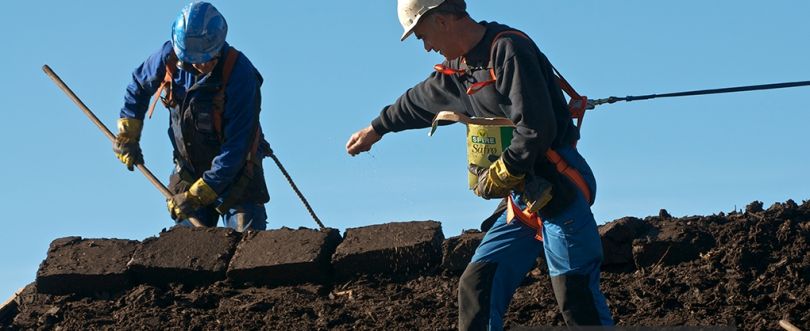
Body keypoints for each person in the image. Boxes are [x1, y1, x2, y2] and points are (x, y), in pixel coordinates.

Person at [345, 0, 614, 329]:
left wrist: (503, 171)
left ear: (443, 21)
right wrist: (376, 129)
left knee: (576, 298)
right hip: (523, 200)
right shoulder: (458, 70)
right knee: (477, 286)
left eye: (423, 36)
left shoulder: (508, 51)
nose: (426, 47)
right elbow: (417, 102)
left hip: (558, 189)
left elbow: (535, 129)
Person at [114, 1, 270, 232]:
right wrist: (128, 135)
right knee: (188, 254)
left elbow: (236, 146)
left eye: (207, 58)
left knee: (247, 250)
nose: (200, 65)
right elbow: (138, 86)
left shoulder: (241, 76)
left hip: (237, 175)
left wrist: (201, 194)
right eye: (193, 59)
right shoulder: (169, 57)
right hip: (188, 170)